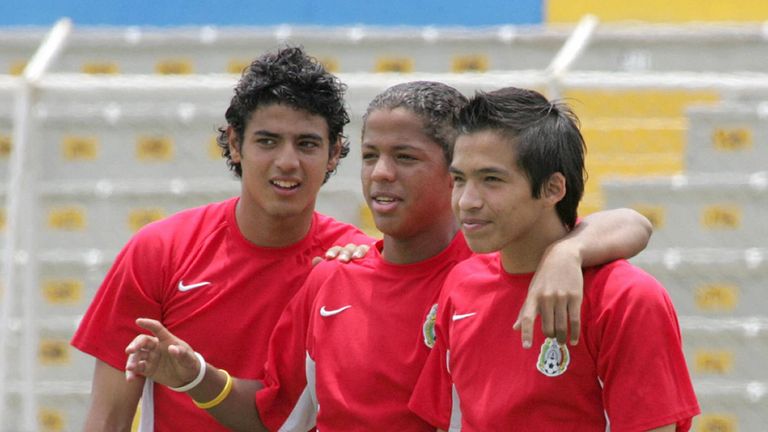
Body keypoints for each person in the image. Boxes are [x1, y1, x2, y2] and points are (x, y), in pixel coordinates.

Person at [124, 82, 653, 431]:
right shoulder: (334, 277)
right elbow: (277, 416)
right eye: (371, 155)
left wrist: (569, 251)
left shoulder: (494, 270)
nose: (380, 174)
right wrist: (193, 374)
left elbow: (630, 223)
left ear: (456, 168)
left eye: (405, 157)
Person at [70, 46, 374, 432]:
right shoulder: (160, 250)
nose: (287, 161)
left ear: (334, 153)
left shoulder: (353, 264)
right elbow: (107, 419)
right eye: (267, 141)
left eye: (307, 144)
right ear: (234, 143)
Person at [409, 87, 699, 431]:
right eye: (459, 179)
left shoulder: (626, 298)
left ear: (552, 189)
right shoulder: (461, 283)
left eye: (491, 180)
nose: (467, 201)